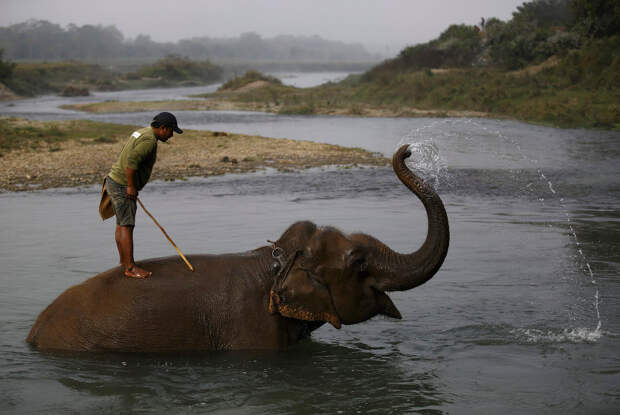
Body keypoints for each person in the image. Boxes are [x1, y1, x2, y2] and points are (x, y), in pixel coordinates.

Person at [104, 112, 183, 278]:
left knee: (121, 223)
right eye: (171, 131)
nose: (171, 135)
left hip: (114, 180)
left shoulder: (143, 131)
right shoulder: (149, 141)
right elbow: (131, 162)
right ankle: (130, 267)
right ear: (162, 128)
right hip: (122, 184)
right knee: (127, 225)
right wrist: (131, 186)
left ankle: (123, 262)